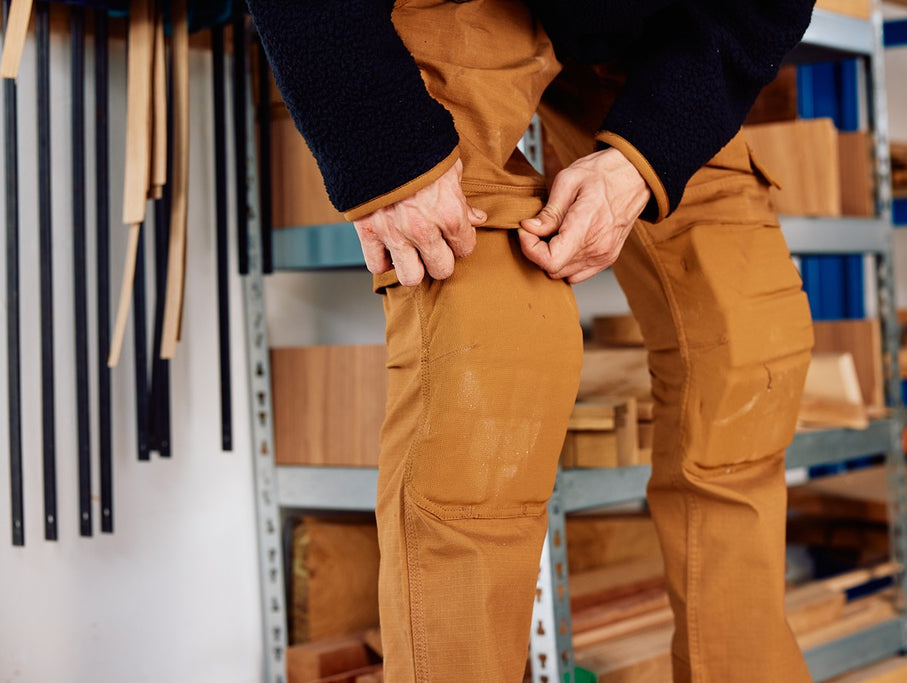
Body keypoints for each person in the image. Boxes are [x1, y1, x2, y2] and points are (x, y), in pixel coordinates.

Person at [248, 1, 817, 680]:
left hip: (652, 23)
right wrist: (386, 146)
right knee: (490, 367)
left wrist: (644, 157)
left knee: (747, 348)